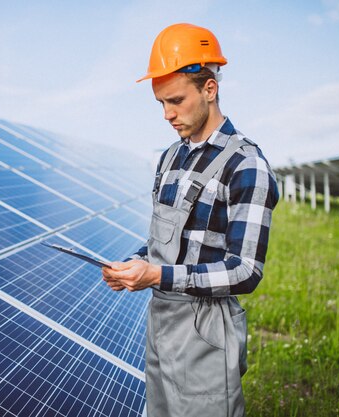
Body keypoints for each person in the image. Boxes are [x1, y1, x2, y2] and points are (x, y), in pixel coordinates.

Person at [102, 23, 279, 417]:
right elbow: (164, 244)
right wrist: (136, 262)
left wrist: (157, 276)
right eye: (160, 103)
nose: (167, 114)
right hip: (161, 323)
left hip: (206, 332)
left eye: (176, 100)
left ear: (209, 89)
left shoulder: (246, 165)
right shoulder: (170, 158)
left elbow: (246, 271)